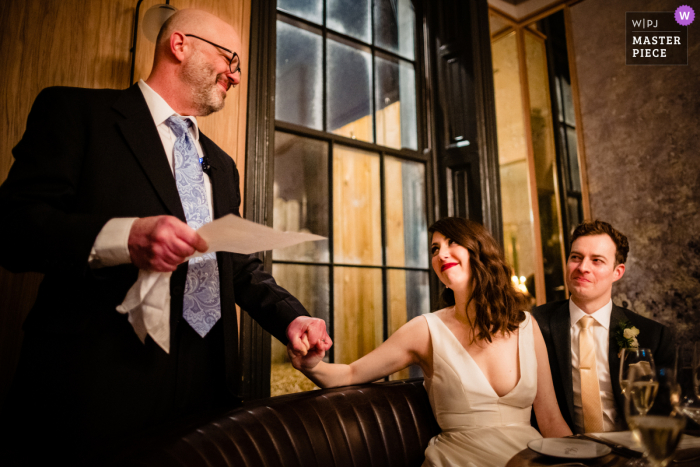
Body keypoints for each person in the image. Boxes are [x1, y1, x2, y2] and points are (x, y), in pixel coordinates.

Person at [0, 9, 331, 463]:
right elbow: (13, 228)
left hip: (209, 388)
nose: (235, 76)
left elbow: (235, 264)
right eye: (229, 58)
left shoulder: (223, 163)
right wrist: (126, 237)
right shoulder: (77, 114)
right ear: (180, 45)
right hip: (98, 388)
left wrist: (290, 318)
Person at [289, 217, 572, 467]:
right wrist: (312, 366)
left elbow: (550, 419)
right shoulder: (426, 330)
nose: (441, 254)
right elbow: (351, 373)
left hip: (531, 460)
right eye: (435, 249)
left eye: (452, 243)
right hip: (459, 460)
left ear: (480, 250)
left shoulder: (526, 326)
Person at [533, 220, 675, 434]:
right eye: (575, 258)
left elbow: (666, 411)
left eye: (596, 260)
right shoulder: (536, 324)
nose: (582, 268)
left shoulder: (652, 336)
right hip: (562, 453)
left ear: (617, 272)